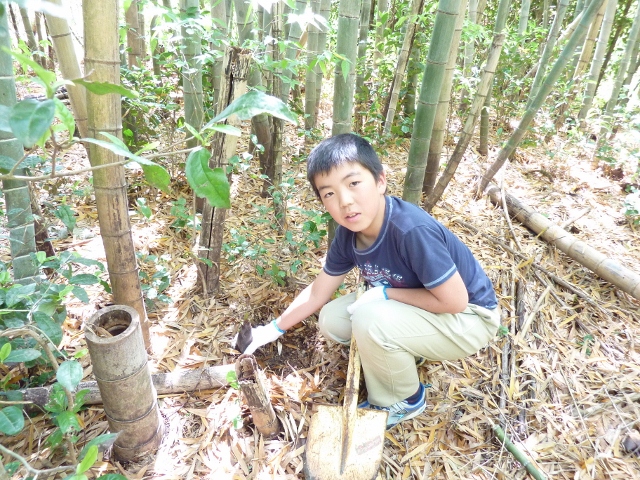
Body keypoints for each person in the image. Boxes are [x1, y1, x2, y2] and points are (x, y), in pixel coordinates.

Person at [237, 133, 500, 428]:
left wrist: (386, 295)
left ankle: (404, 399)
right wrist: (272, 329)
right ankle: (403, 352)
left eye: (353, 183)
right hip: (426, 305)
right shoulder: (348, 234)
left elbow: (456, 301)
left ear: (380, 181)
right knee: (333, 319)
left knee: (368, 318)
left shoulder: (410, 230)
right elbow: (318, 292)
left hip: (470, 319)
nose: (345, 201)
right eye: (329, 193)